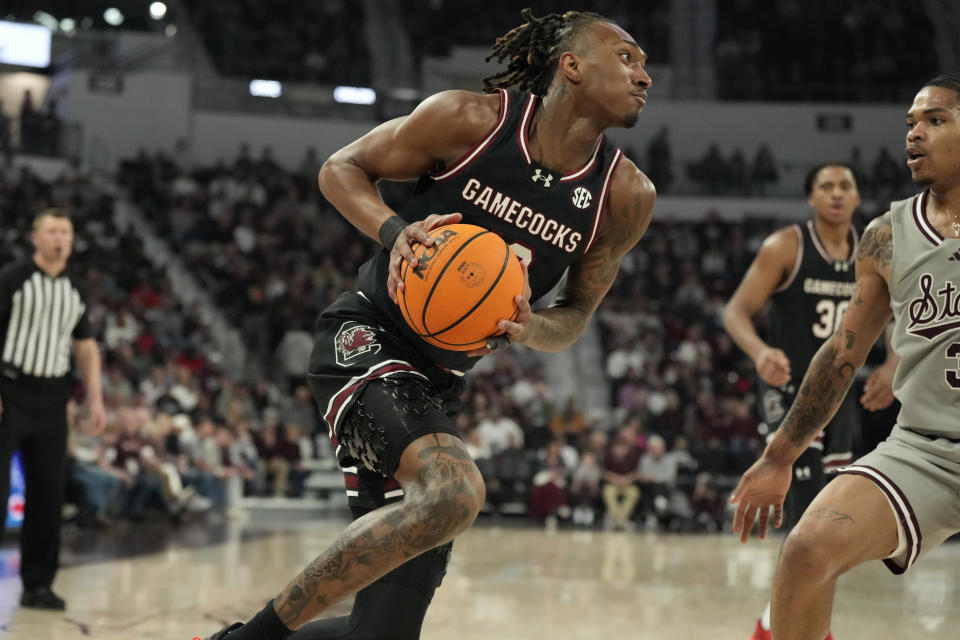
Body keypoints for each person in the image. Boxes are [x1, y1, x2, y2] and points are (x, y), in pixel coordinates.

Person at [200, 8, 656, 640]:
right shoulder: (471, 120)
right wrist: (395, 229)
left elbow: (575, 317)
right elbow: (341, 168)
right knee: (455, 494)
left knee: (381, 634)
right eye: (627, 58)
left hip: (436, 385)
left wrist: (530, 329)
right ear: (571, 65)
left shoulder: (625, 195)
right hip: (366, 340)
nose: (645, 76)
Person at [729, 73, 960, 640]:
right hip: (927, 448)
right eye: (911, 123)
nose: (915, 133)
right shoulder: (886, 234)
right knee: (806, 549)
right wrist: (778, 455)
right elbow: (841, 354)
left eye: (935, 120)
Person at [723, 161, 895, 640]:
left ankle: (773, 626)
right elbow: (735, 311)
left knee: (827, 530)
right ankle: (793, 631)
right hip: (789, 393)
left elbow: (902, 311)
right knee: (804, 525)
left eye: (846, 186)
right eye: (827, 186)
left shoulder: (874, 248)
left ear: (859, 197)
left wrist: (891, 363)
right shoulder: (787, 246)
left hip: (838, 399)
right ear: (811, 198)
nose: (837, 194)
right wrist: (760, 352)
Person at [0, 209, 106, 610]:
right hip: (8, 389)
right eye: (51, 230)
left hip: (51, 397)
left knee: (48, 494)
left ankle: (38, 585)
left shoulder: (75, 290)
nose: (59, 238)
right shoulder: (13, 279)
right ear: (35, 238)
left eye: (65, 231)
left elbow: (85, 345)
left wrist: (95, 397)